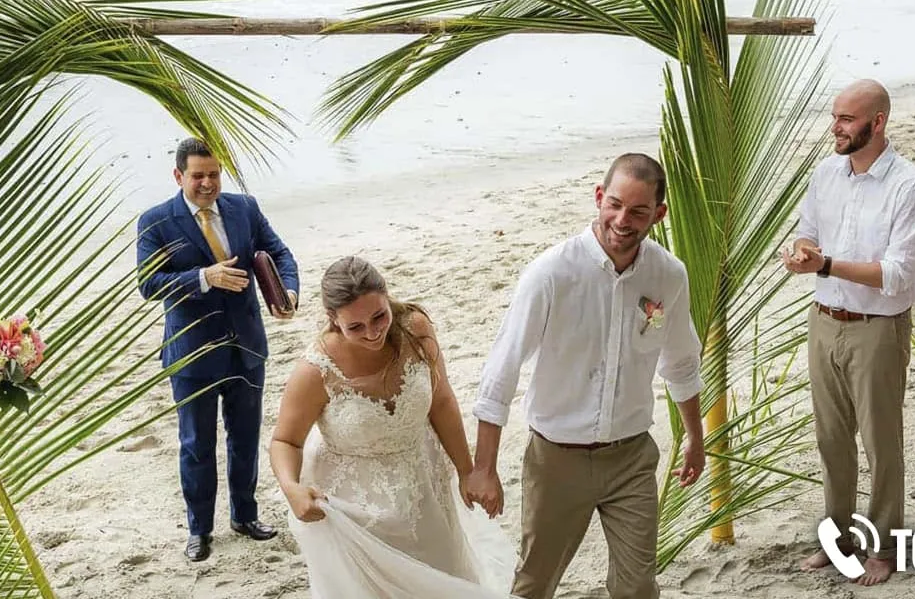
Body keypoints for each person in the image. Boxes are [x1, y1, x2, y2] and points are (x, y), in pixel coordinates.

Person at [468, 152, 708, 599]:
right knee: (535, 583)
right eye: (614, 204)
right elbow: (501, 369)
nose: (622, 219)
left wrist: (694, 436)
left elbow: (680, 361)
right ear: (599, 197)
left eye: (638, 211)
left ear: (659, 214)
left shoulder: (669, 276)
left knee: (637, 586)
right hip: (556, 459)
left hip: (632, 457)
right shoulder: (551, 274)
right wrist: (485, 467)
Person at [270, 256, 514, 598]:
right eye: (355, 327)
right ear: (332, 320)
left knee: (443, 576)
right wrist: (291, 488)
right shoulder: (315, 371)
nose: (372, 333)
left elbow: (441, 401)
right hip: (356, 510)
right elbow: (285, 440)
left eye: (379, 316)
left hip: (424, 488)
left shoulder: (416, 330)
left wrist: (465, 469)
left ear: (387, 297)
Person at [784, 79, 915, 586]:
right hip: (823, 322)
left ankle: (886, 544)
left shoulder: (910, 187)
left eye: (847, 119)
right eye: (835, 117)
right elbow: (809, 228)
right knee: (830, 439)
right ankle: (838, 537)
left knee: (880, 441)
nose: (836, 127)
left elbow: (897, 275)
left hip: (878, 329)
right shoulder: (826, 174)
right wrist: (804, 252)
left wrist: (824, 265)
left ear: (878, 121)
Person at [136, 137, 300, 562]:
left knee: (245, 439)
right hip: (192, 354)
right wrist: (203, 276)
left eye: (213, 174)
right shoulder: (155, 221)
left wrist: (290, 290)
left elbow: (278, 252)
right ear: (179, 176)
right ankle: (199, 530)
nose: (207, 183)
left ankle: (245, 516)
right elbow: (148, 285)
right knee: (196, 445)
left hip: (247, 346)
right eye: (198, 176)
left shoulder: (244, 207)